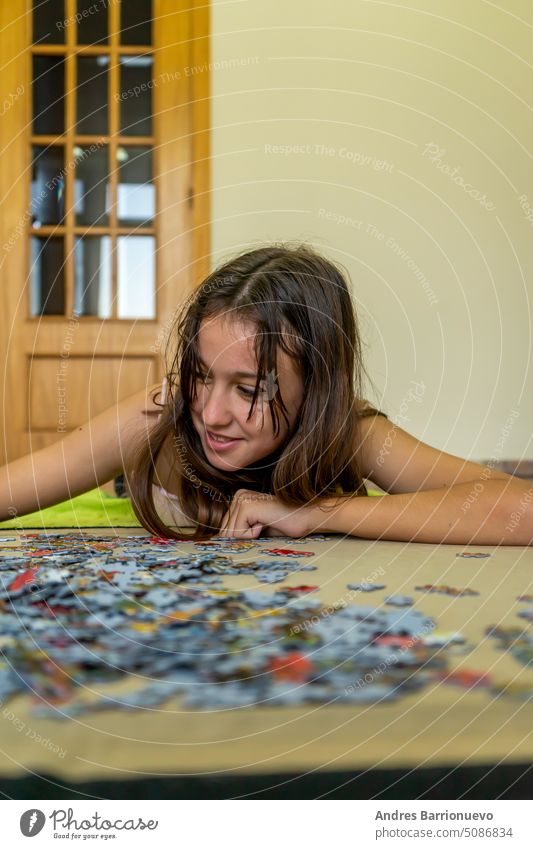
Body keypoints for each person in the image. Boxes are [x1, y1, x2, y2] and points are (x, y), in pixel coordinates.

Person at [1, 245, 531, 544]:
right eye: (201, 375)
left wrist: (318, 512)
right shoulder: (162, 415)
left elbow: (521, 509)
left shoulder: (352, 432)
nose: (210, 413)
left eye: (249, 389)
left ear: (318, 388)